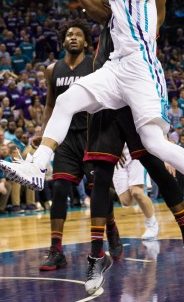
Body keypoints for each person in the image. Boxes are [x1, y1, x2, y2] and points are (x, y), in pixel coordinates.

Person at [0, 0, 184, 293]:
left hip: (140, 72)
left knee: (156, 149)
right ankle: (39, 167)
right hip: (114, 74)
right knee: (70, 102)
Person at [38, 18, 116, 271]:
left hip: (93, 136)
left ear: (85, 41)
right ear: (63, 41)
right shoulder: (52, 70)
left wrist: (113, 138)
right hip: (66, 139)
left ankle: (111, 228)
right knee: (60, 189)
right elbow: (50, 105)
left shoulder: (95, 65)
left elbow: (109, 100)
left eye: (78, 35)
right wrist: (43, 135)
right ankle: (56, 250)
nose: (73, 37)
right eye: (69, 35)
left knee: (99, 192)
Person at [113, 144, 159, 240]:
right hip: (116, 156)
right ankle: (147, 204)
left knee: (136, 192)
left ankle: (151, 222)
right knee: (126, 201)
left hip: (135, 152)